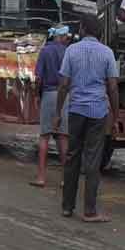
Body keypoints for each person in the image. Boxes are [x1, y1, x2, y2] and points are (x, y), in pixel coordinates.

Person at [55, 15, 119, 222]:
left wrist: (57, 113)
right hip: (98, 112)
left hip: (76, 111)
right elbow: (113, 87)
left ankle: (67, 207)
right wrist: (115, 116)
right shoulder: (107, 53)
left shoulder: (71, 51)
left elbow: (64, 84)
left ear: (83, 29)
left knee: (72, 157)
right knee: (93, 160)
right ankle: (90, 211)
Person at [30, 25, 71, 188]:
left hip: (48, 95)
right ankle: (65, 179)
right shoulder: (68, 52)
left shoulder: (45, 51)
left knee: (44, 136)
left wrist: (36, 95)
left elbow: (38, 78)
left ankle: (41, 177)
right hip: (65, 96)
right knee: (63, 137)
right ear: (62, 37)